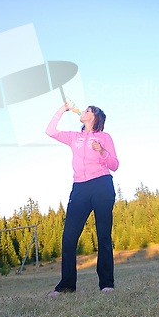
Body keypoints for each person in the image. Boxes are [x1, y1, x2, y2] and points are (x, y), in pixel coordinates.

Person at [45, 103, 119, 296]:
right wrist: (62, 109)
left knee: (103, 234)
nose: (84, 112)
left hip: (102, 184)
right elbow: (50, 131)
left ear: (94, 117)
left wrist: (103, 152)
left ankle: (106, 283)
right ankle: (67, 286)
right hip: (79, 188)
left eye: (88, 110)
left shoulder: (104, 137)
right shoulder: (74, 137)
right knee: (69, 236)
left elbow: (115, 165)